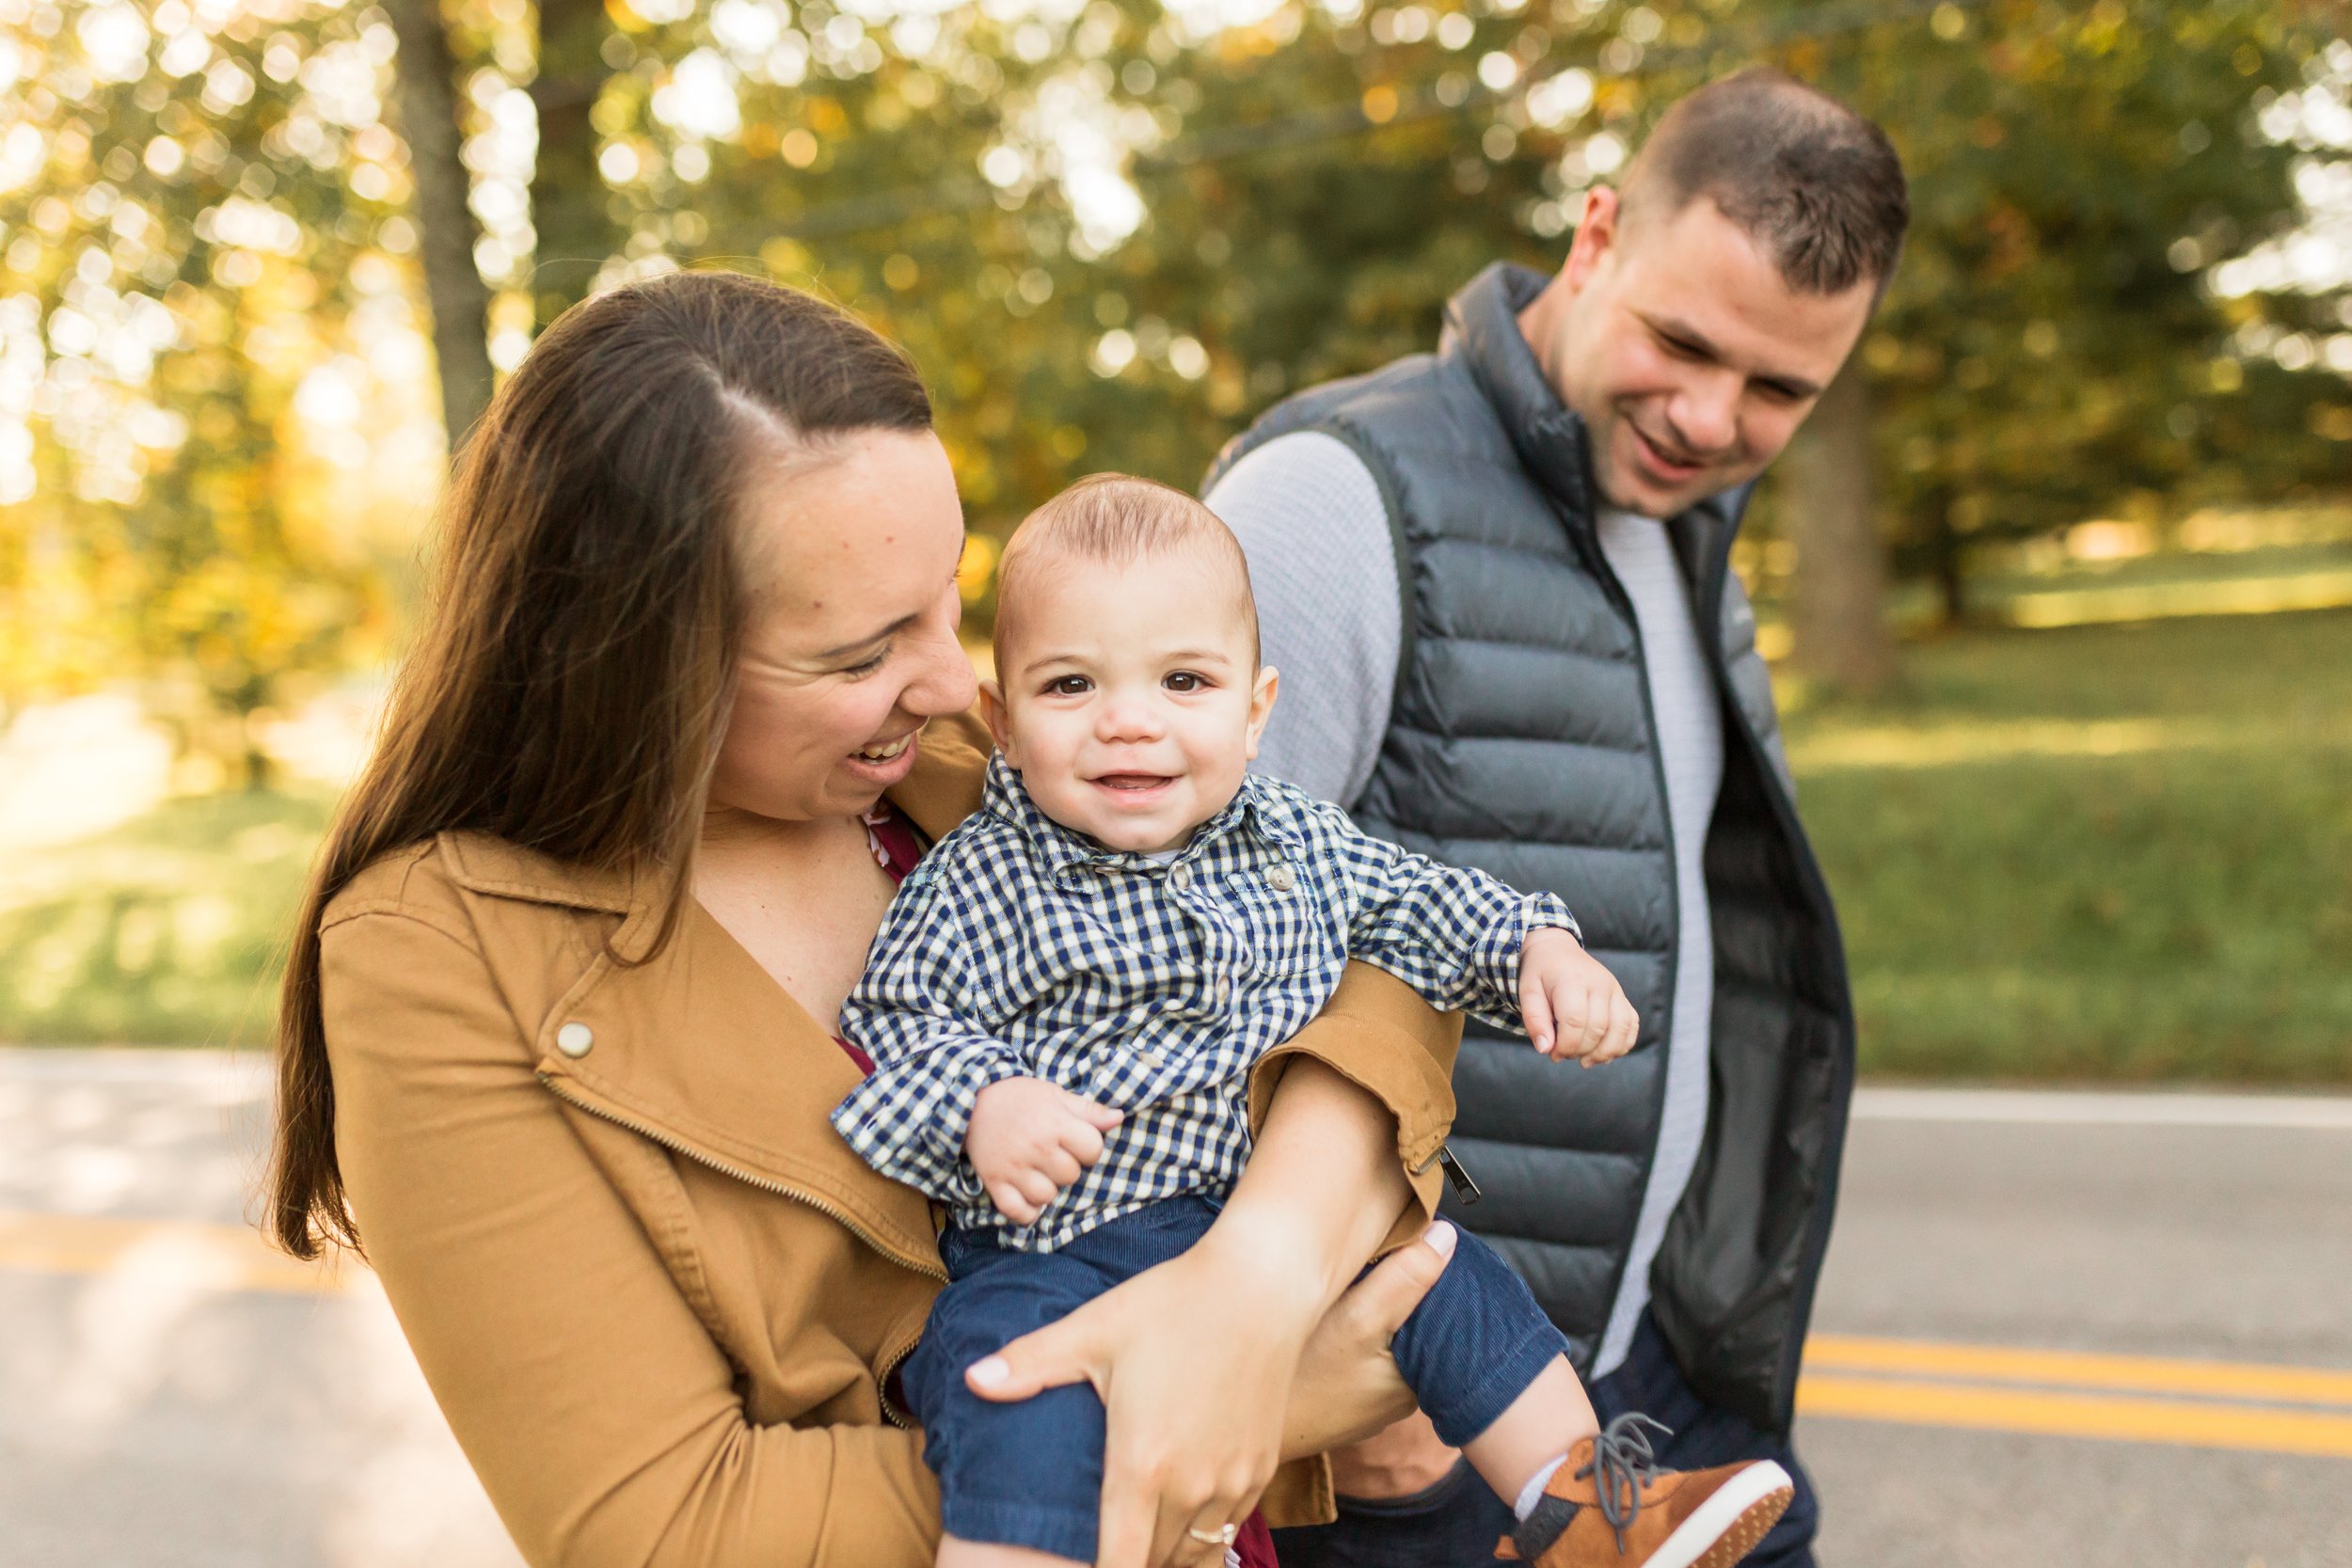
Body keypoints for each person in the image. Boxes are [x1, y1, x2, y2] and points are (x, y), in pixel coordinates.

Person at [262, 272, 1482, 1568]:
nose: (958, 680)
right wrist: (1240, 1408)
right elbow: (663, 1522)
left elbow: (1363, 961)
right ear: (634, 658)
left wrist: (1262, 1277)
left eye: (946, 601)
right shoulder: (437, 952)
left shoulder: (968, 764)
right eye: (860, 652)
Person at [1201, 68, 1909, 1568]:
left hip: (1648, 1373)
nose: (1712, 417)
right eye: (1681, 340)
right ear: (1595, 239)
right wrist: (1352, 1378)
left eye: (1781, 389)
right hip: (1425, 1425)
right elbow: (1175, 949)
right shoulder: (1332, 499)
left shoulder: (1680, 521)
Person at [828, 474, 1797, 1568]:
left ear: (1255, 708)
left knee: (1443, 1273)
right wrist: (984, 1101)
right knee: (1010, 1382)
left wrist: (1540, 948)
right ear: (1002, 723)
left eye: (1183, 679)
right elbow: (899, 1021)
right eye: (1070, 684)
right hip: (1053, 1252)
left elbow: (1419, 902)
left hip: (1256, 1216)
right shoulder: (982, 877)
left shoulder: (1291, 837)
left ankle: (1584, 1506)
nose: (1129, 719)